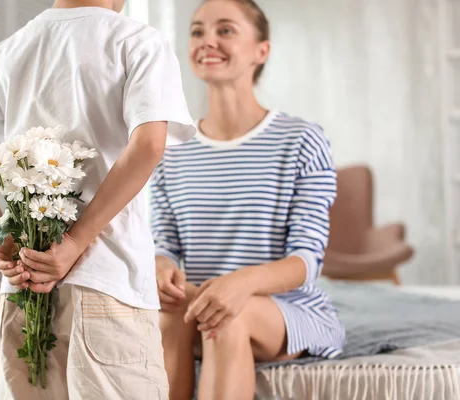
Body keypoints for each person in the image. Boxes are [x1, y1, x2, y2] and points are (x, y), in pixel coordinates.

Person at [0, 0, 196, 399]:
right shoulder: (137, 41)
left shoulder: (10, 49)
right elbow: (148, 145)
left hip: (23, 285)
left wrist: (1, 237)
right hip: (106, 282)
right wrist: (76, 242)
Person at [150, 0, 346, 399]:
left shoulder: (301, 140)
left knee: (228, 315)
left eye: (225, 30)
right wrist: (161, 265)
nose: (207, 41)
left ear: (262, 50)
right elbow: (165, 245)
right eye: (197, 31)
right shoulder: (170, 151)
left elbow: (306, 260)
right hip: (203, 301)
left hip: (284, 311)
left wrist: (239, 284)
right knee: (170, 309)